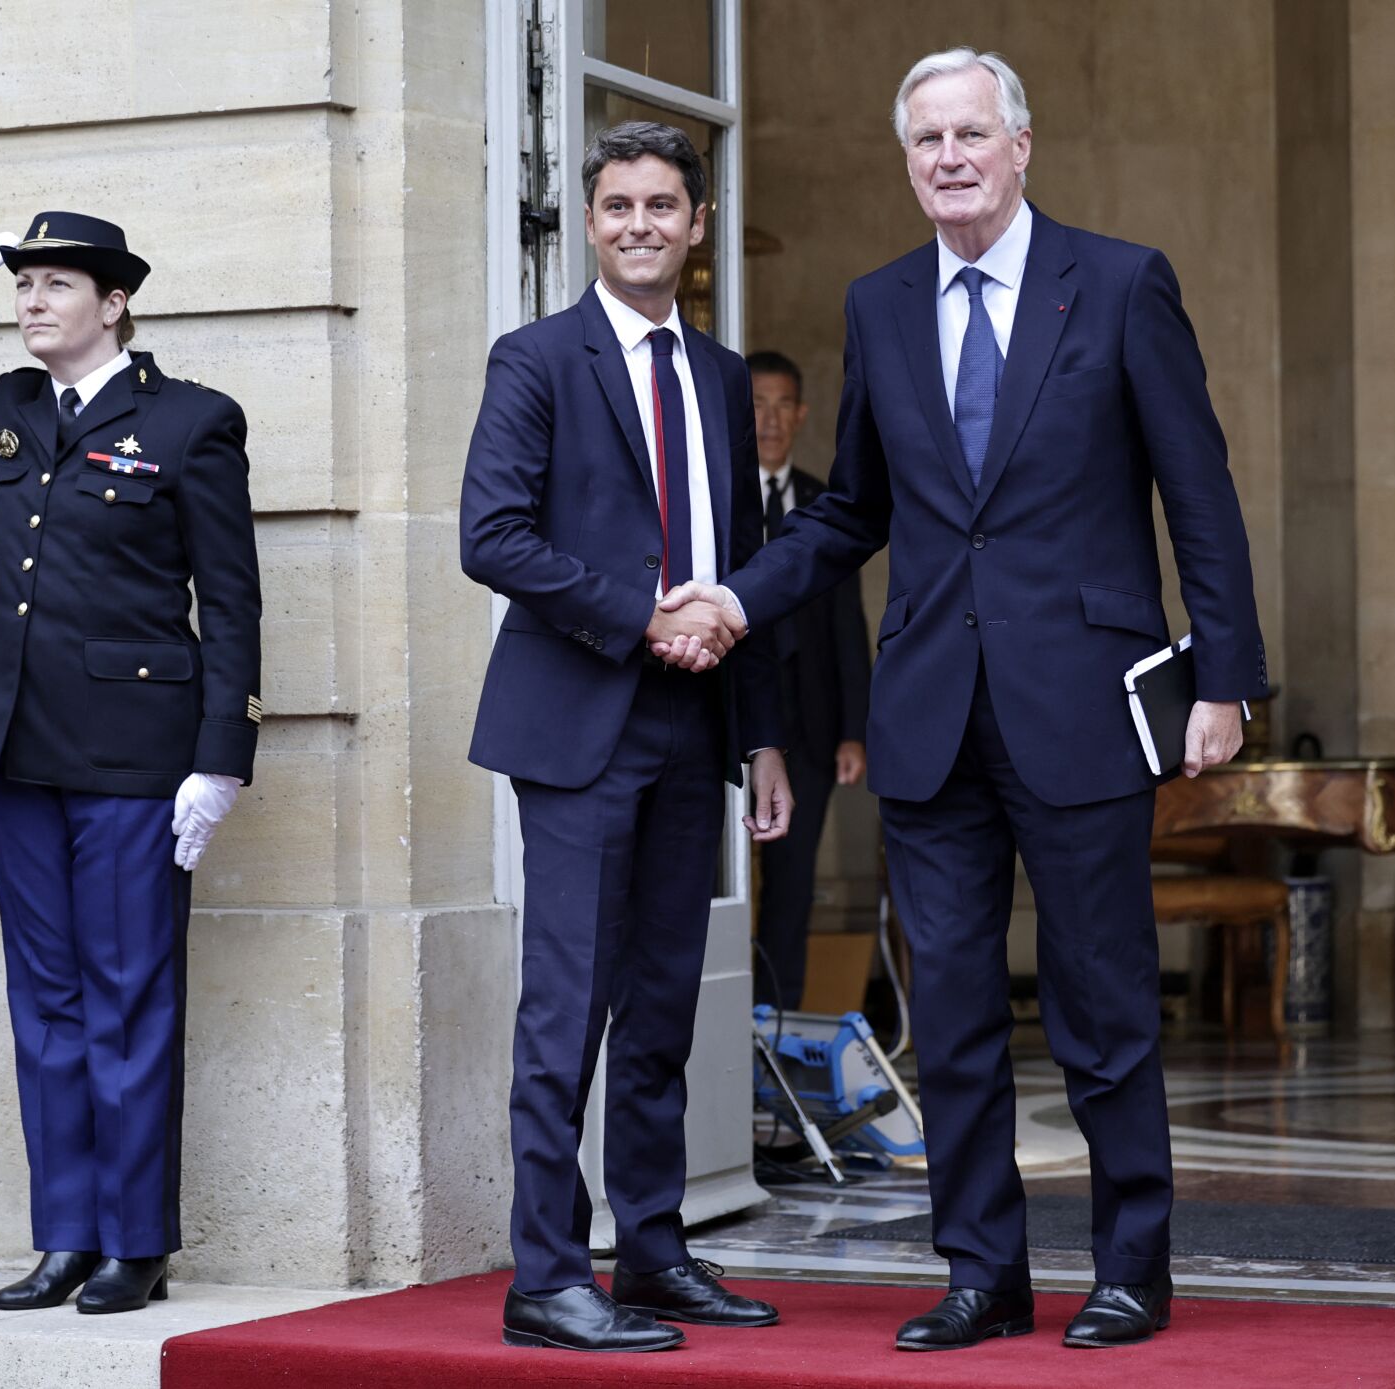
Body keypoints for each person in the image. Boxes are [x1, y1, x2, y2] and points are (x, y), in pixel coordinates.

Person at [659, 49, 1267, 1350]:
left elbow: (1199, 493)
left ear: (1022, 144)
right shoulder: (880, 305)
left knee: (1105, 1005)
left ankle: (1130, 1269)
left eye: (970, 133)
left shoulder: (1116, 284)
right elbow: (855, 514)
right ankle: (982, 1274)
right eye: (926, 138)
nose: (948, 156)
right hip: (930, 714)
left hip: (1083, 704)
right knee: (954, 1018)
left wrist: (1228, 674)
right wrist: (740, 596)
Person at [0, 212, 263, 1314]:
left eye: (55, 284)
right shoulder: (5, 413)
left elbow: (228, 602)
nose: (31, 299)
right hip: (14, 748)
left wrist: (221, 756)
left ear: (114, 302)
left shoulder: (188, 422)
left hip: (137, 758)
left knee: (130, 999)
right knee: (46, 1001)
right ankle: (67, 1234)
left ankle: (137, 1242)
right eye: (22, 283)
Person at [460, 121, 792, 1355]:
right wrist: (636, 616)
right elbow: (488, 537)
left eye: (663, 205)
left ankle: (652, 1252)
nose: (641, 224)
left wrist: (758, 738)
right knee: (568, 1014)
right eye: (617, 206)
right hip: (581, 720)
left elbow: (744, 570)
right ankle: (547, 1274)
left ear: (696, 226)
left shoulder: (716, 374)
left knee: (662, 1009)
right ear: (590, 223)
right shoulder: (535, 358)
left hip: (692, 720)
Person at [744, 350, 869, 1011]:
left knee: (793, 889)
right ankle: (717, 1030)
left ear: (800, 415)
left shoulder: (827, 502)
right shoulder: (717, 491)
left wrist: (854, 729)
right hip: (727, 723)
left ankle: (778, 1025)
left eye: (779, 406)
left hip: (812, 730)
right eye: (755, 405)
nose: (768, 419)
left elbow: (849, 619)